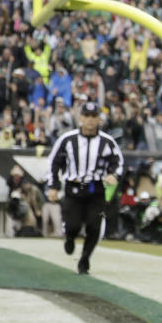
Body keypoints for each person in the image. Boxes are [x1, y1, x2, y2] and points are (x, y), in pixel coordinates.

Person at [46, 101, 124, 275]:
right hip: (74, 188)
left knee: (94, 226)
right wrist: (53, 186)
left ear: (99, 119)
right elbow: (54, 162)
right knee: (72, 224)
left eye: (93, 116)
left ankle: (84, 260)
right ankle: (70, 237)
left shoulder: (107, 142)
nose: (90, 120)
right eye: (87, 116)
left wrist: (114, 175)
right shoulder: (67, 139)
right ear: (80, 118)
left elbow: (118, 163)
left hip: (96, 189)